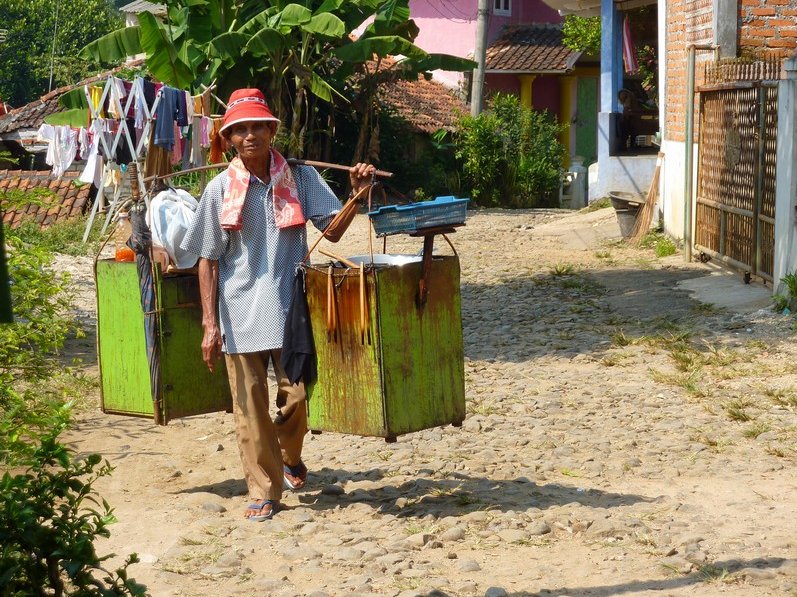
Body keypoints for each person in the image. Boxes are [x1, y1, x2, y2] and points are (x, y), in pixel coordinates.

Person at [181, 88, 374, 522]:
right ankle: (265, 489)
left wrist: (357, 196)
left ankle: (290, 456)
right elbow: (208, 259)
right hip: (238, 310)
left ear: (272, 130)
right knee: (249, 409)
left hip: (290, 308)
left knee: (298, 398)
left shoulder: (301, 179)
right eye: (240, 129)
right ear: (229, 138)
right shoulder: (218, 191)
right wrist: (210, 325)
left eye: (257, 127)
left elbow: (334, 231)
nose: (250, 135)